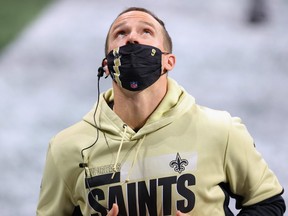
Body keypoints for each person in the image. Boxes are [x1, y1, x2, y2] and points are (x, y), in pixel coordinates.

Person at [36, 7, 286, 216]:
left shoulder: (221, 130)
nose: (132, 38)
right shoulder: (66, 149)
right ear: (107, 66)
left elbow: (268, 203)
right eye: (120, 33)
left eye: (146, 31)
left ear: (169, 61)